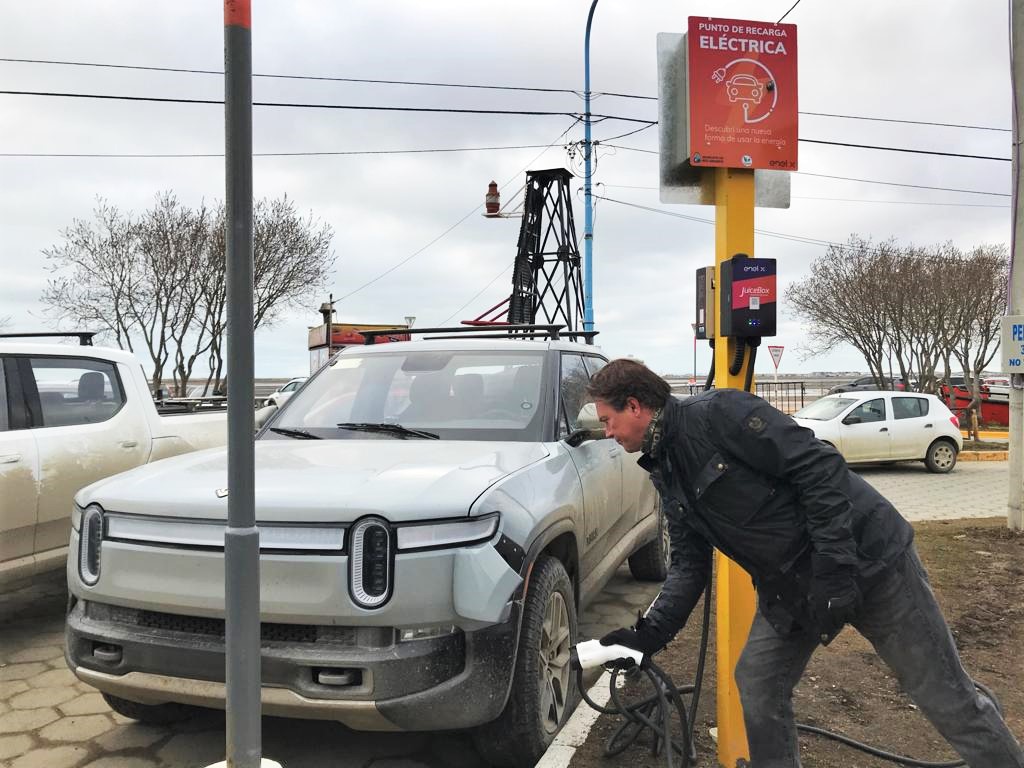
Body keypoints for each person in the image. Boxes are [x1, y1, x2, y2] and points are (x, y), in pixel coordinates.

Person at [586, 358, 1024, 768]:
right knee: (758, 686)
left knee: (946, 698)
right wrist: (648, 635)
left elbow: (819, 468)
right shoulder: (664, 467)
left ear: (636, 406)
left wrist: (835, 570)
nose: (607, 432)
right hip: (793, 587)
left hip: (872, 564)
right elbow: (689, 563)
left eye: (608, 421)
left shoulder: (721, 413)